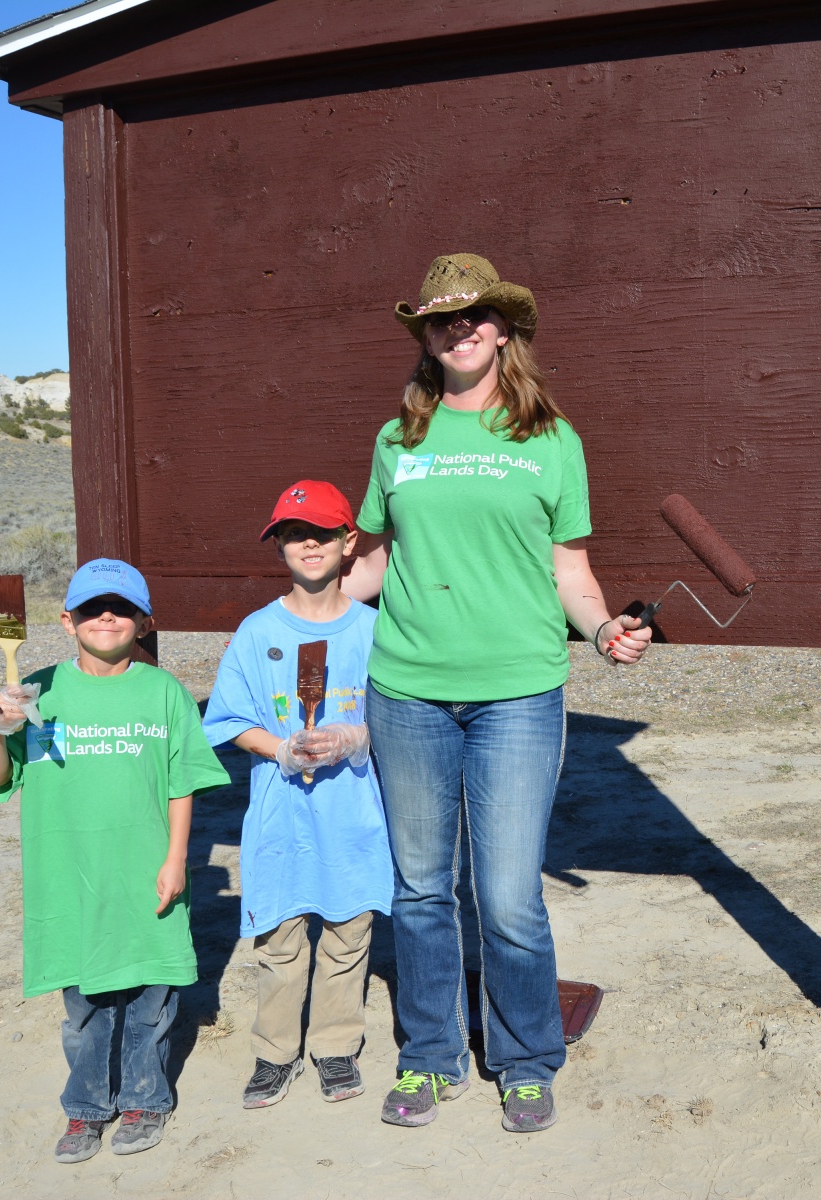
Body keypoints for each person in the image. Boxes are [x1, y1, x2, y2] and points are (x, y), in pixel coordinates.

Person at [342, 253, 651, 1132]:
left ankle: (523, 1059)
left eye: (475, 317)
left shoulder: (551, 439)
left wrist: (599, 631)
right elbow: (375, 558)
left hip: (518, 693)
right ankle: (429, 1055)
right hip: (406, 692)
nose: (459, 329)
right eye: (441, 319)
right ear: (426, 339)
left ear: (504, 331)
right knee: (421, 889)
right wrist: (300, 606)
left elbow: (571, 568)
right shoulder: (397, 439)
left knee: (509, 894)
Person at [0, 558, 230, 1164]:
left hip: (147, 871)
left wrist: (176, 859)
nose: (105, 616)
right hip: (69, 875)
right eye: (91, 607)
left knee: (150, 997)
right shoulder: (34, 690)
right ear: (67, 620)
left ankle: (145, 1097)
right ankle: (86, 1106)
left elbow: (181, 783)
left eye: (120, 607)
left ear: (145, 621)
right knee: (83, 1005)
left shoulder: (163, 691)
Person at [203, 480, 393, 1110]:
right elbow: (229, 720)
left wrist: (356, 735)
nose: (307, 545)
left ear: (348, 542)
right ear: (278, 546)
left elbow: (403, 716)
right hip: (281, 815)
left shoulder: (376, 630)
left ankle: (335, 1047)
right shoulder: (256, 633)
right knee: (280, 939)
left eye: (321, 534)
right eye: (293, 534)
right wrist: (279, 748)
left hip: (354, 812)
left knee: (347, 930)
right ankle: (274, 1053)